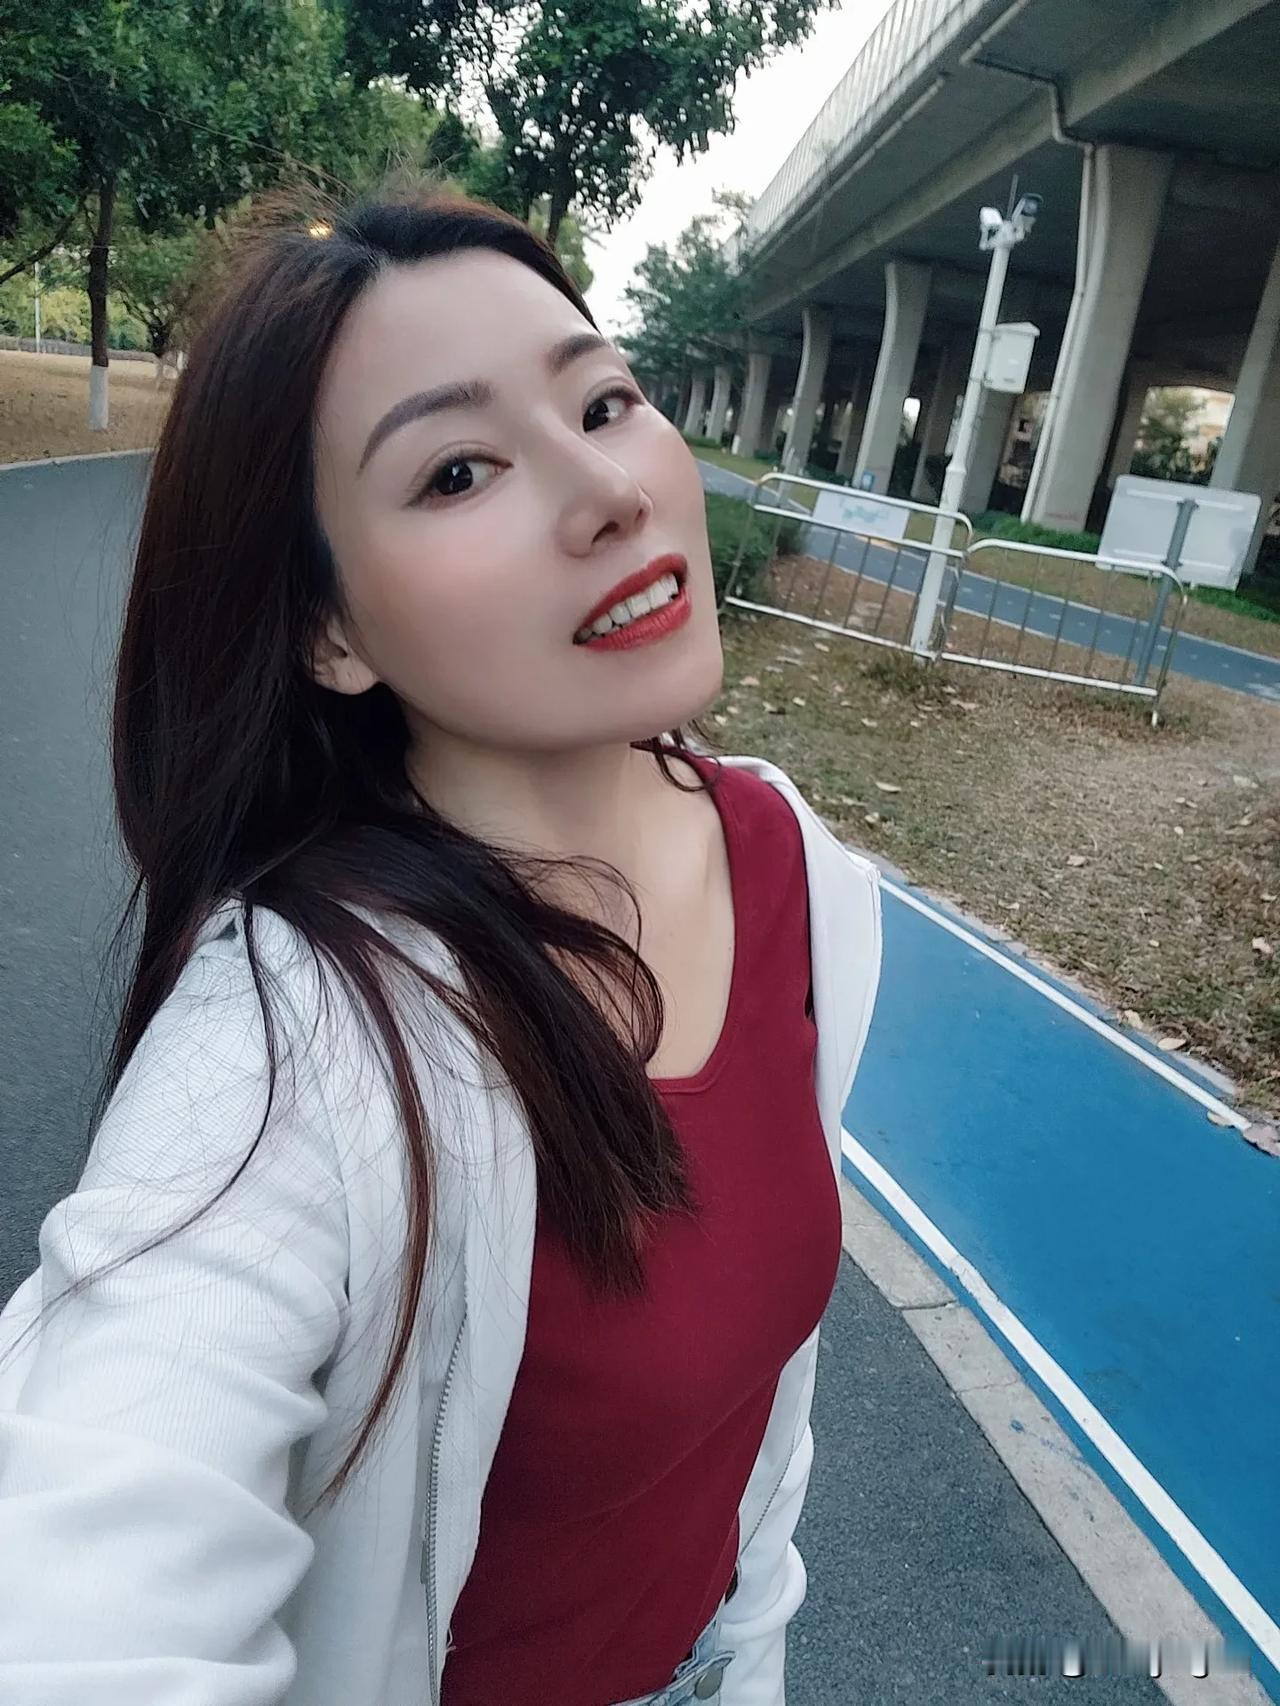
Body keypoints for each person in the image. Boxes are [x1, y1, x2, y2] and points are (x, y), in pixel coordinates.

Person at [0, 177, 882, 1706]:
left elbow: (761, 1420)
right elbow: (85, 1579)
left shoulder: (796, 864)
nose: (604, 491)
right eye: (459, 469)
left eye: (603, 403)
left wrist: (751, 1645)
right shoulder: (293, 1038)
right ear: (328, 630)